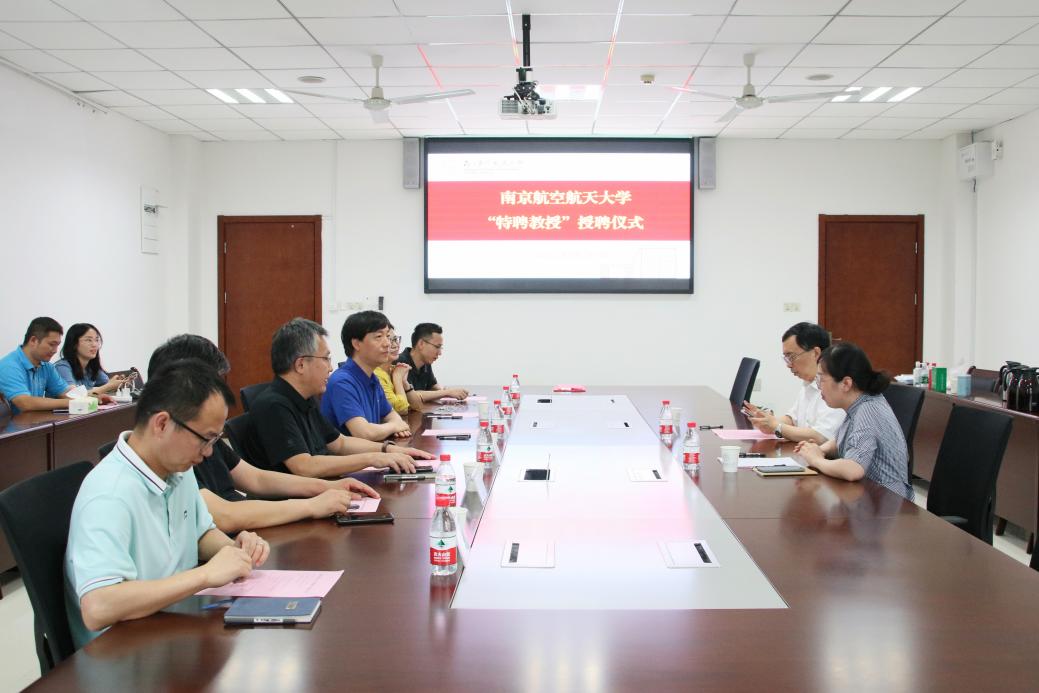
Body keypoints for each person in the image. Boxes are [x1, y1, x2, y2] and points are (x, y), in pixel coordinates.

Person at [64, 359, 270, 648]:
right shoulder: (109, 494)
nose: (209, 453)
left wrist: (234, 550)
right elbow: (98, 607)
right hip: (125, 650)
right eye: (205, 439)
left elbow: (199, 533)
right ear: (162, 424)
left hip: (173, 624)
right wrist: (205, 575)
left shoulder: (177, 468)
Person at [148, 334, 379, 532]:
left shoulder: (201, 435)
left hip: (244, 535)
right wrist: (311, 506)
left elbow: (255, 478)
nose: (219, 396)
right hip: (238, 533)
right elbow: (222, 516)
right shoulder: (175, 450)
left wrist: (326, 487)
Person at [250, 318, 434, 478]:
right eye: (326, 359)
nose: (330, 367)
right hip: (298, 498)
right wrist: (372, 458)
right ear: (300, 365)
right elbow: (304, 466)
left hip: (322, 486)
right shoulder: (274, 405)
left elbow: (339, 443)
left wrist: (388, 449)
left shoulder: (305, 398)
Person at [794, 342, 913, 501]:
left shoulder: (868, 410)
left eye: (821, 378)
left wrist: (816, 460)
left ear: (846, 383)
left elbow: (852, 469)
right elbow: (844, 440)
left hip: (886, 503)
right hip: (867, 497)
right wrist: (819, 450)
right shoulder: (859, 403)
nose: (818, 385)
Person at [743, 322, 846, 444]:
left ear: (816, 353)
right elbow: (792, 419)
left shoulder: (836, 386)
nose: (789, 365)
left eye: (791, 357)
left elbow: (820, 436)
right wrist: (766, 421)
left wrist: (776, 426)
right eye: (786, 358)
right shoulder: (808, 382)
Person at [321, 311, 412, 441]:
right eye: (379, 336)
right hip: (348, 454)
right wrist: (394, 427)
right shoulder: (342, 382)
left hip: (371, 450)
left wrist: (396, 424)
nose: (387, 343)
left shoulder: (372, 377)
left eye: (387, 336)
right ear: (356, 344)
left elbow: (391, 414)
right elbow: (363, 433)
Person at [0, 317, 74, 414]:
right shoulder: (9, 366)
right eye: (52, 344)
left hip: (34, 422)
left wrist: (87, 398)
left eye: (57, 345)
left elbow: (66, 393)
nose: (55, 350)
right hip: (12, 423)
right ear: (33, 340)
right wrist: (70, 403)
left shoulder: (46, 366)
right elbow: (25, 403)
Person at [397, 322, 469, 405]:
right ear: (421, 344)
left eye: (441, 348)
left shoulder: (426, 362)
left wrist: (448, 391)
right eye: (437, 347)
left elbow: (433, 387)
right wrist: (446, 392)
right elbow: (410, 396)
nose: (440, 353)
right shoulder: (401, 362)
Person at [54, 323, 132, 397]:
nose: (94, 345)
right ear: (74, 344)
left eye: (97, 340)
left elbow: (106, 385)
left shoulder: (91, 367)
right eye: (89, 340)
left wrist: (118, 383)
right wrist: (109, 386)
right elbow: (73, 395)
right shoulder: (62, 367)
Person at [376, 327, 411, 416]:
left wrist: (405, 383)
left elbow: (417, 405)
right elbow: (402, 410)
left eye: (395, 339)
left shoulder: (395, 369)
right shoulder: (375, 373)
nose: (395, 345)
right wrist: (398, 378)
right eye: (389, 340)